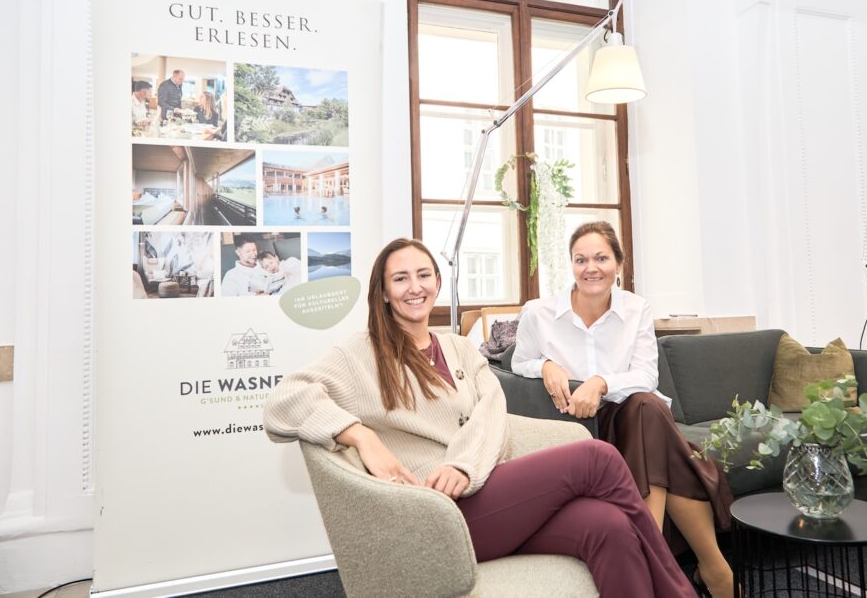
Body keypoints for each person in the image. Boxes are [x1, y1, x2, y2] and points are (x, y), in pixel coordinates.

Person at [263, 238, 696, 598]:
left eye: (423, 275)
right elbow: (284, 401)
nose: (415, 287)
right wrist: (360, 435)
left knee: (609, 526)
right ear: (383, 292)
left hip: (484, 493)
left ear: (437, 282)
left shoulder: (459, 348)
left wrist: (462, 466)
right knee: (596, 457)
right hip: (432, 513)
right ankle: (679, 591)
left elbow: (492, 414)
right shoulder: (361, 353)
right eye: (400, 278)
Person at [512, 221, 735, 598]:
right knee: (667, 441)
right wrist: (545, 365)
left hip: (630, 419)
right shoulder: (539, 312)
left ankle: (653, 564)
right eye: (580, 259)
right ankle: (714, 569)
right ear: (571, 264)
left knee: (646, 407)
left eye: (601, 258)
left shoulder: (636, 308)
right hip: (578, 428)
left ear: (619, 263)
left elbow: (646, 375)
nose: (590, 268)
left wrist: (600, 382)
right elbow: (518, 363)